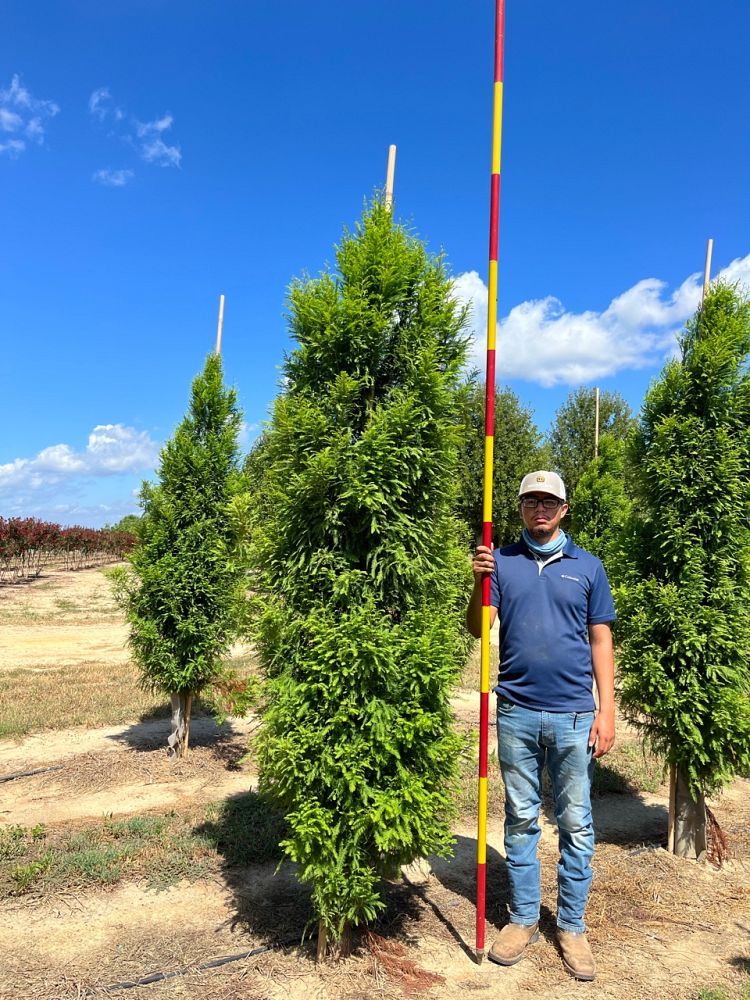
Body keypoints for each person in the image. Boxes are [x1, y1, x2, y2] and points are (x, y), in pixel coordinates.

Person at [466, 470, 616, 982]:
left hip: (576, 715)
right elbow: (477, 627)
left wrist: (607, 708)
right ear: (521, 508)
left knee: (576, 823)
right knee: (522, 818)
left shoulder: (589, 567)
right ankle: (523, 919)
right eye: (531, 501)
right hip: (517, 711)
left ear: (564, 509)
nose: (540, 509)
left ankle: (571, 926)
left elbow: (601, 639)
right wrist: (478, 585)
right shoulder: (501, 561)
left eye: (549, 502)